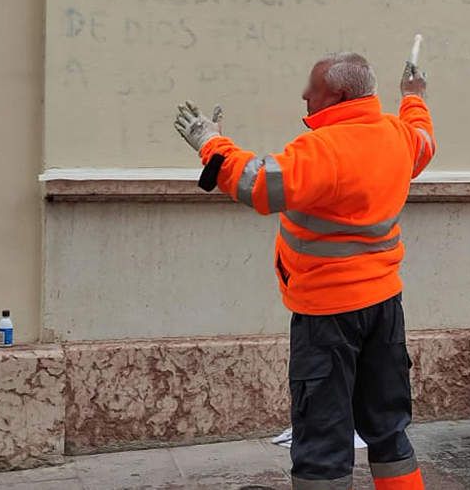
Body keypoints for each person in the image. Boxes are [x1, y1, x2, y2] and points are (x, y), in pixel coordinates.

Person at [173, 52, 433, 490]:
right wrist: (413, 97)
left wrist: (209, 142)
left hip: (327, 315)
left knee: (322, 444)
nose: (304, 96)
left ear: (339, 95)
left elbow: (257, 185)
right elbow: (423, 139)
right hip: (385, 307)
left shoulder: (322, 149)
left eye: (312, 90)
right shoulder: (396, 135)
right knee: (389, 431)